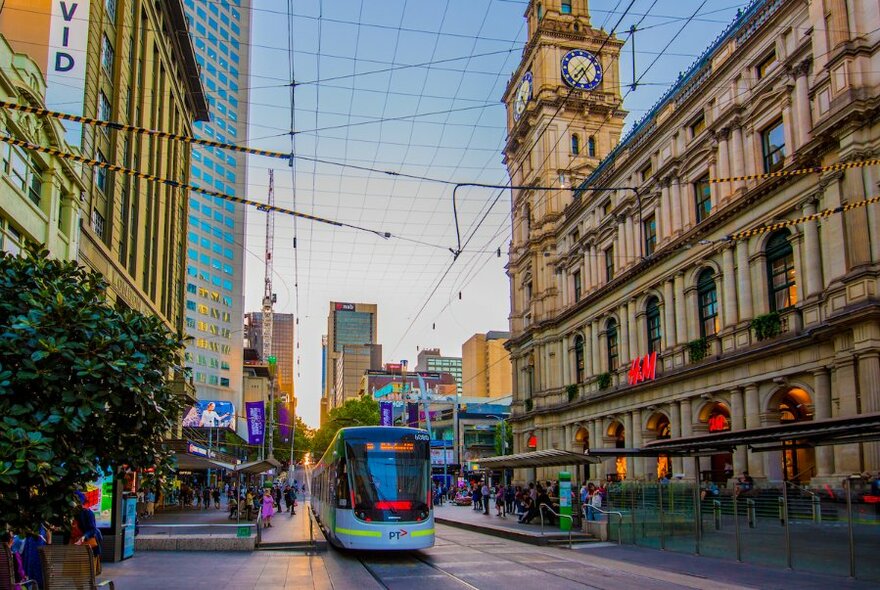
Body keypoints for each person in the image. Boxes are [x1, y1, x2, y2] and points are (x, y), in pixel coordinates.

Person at [72, 491, 104, 575]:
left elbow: (92, 530)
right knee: (76, 574)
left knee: (87, 574)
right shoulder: (71, 514)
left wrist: (83, 537)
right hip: (74, 546)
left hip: (88, 545)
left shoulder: (87, 513)